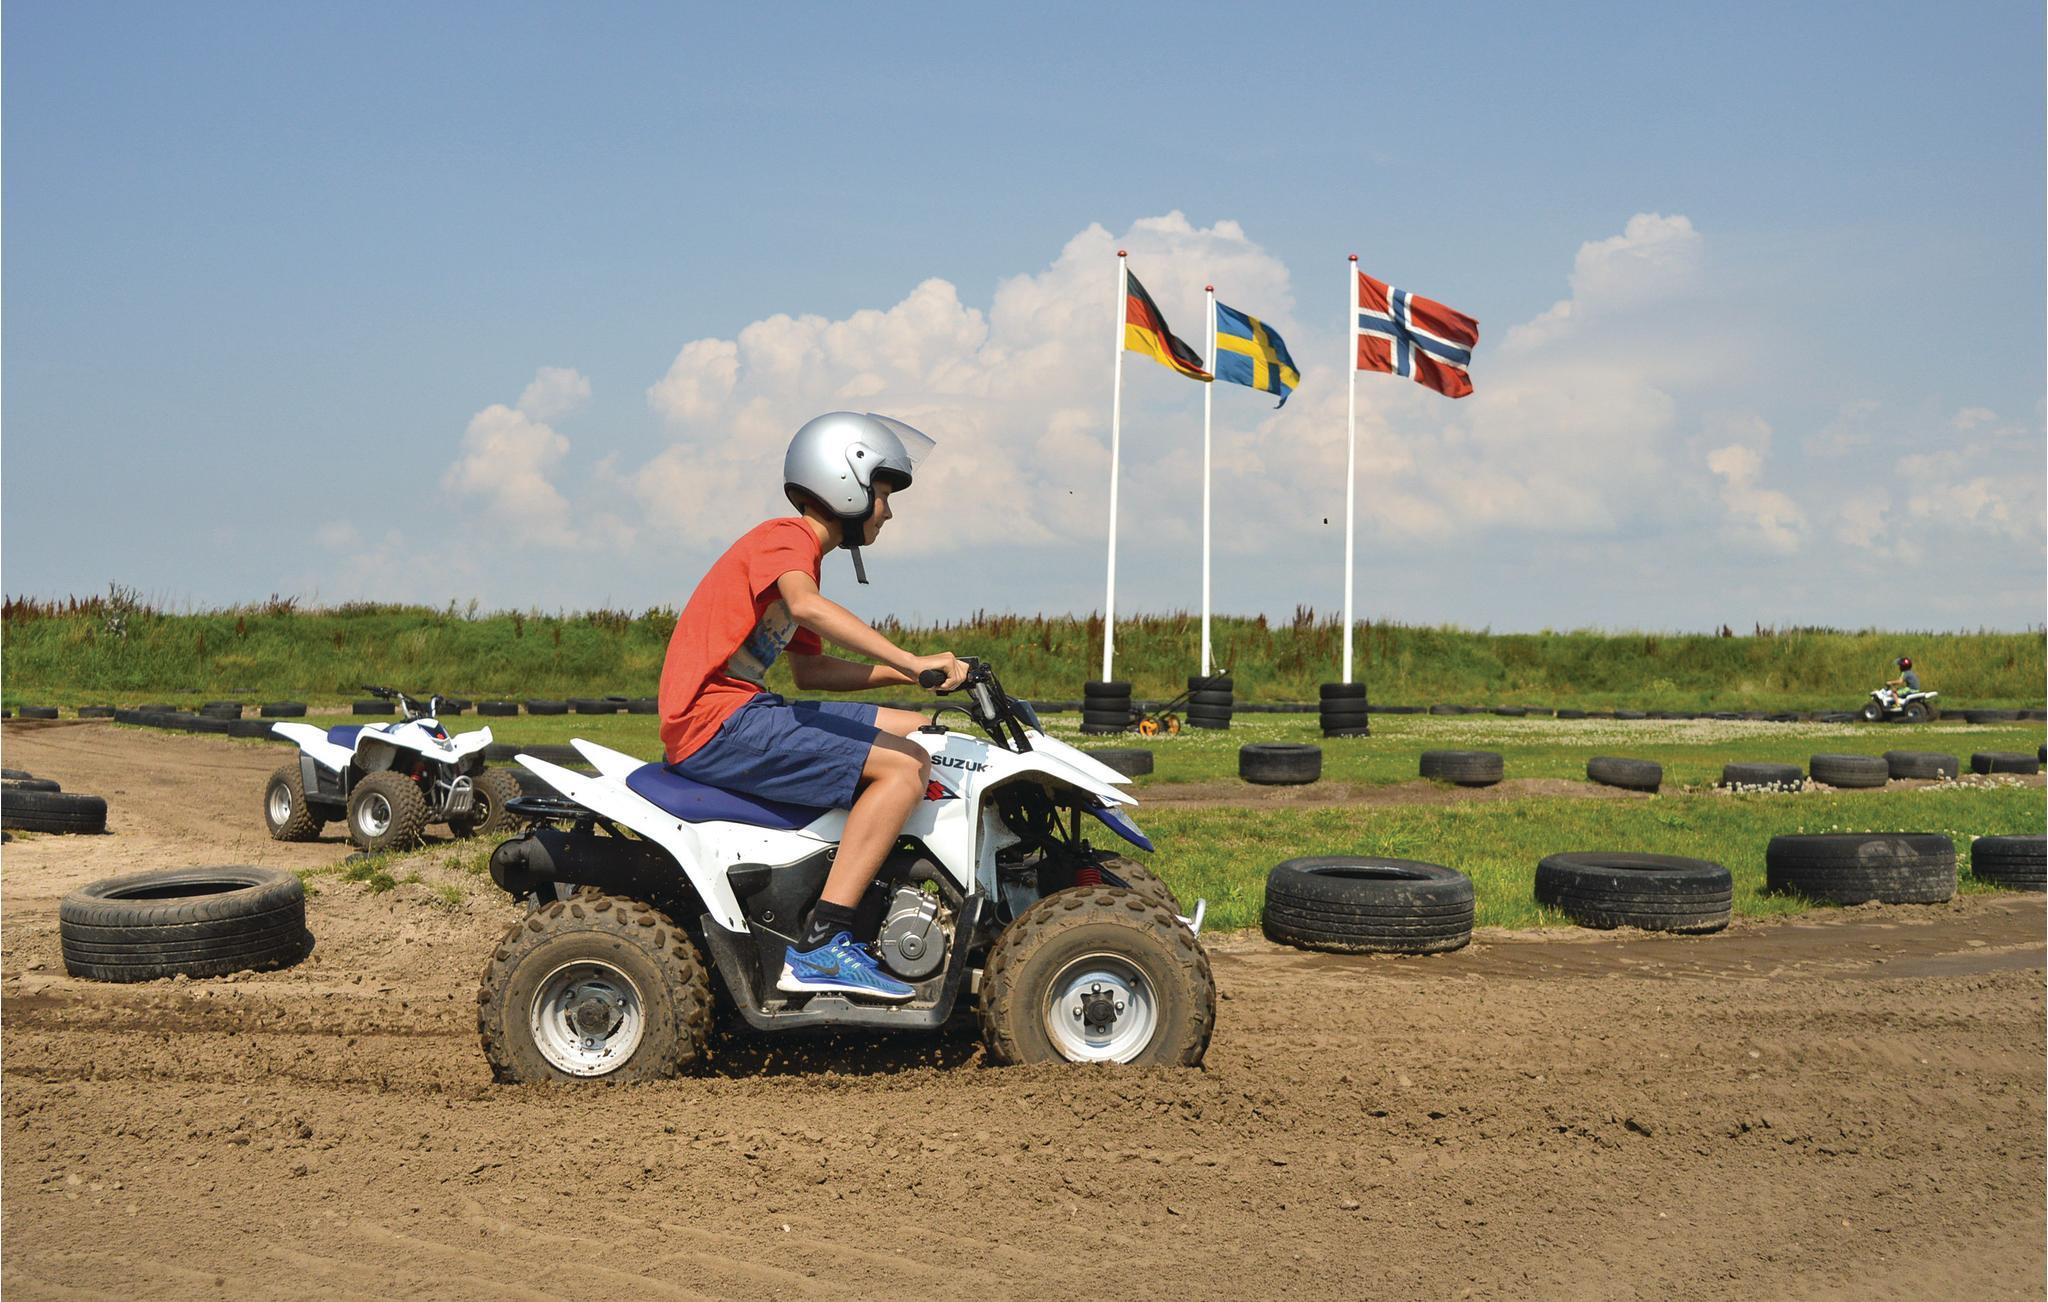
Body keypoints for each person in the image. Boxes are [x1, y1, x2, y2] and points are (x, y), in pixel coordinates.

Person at [655, 412, 966, 1002]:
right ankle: (823, 943)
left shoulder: (799, 556)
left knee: (923, 733)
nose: (888, 512)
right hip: (714, 723)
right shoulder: (786, 538)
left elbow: (812, 672)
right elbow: (807, 607)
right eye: (883, 494)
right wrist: (907, 660)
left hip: (744, 710)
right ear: (847, 485)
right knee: (904, 768)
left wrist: (919, 676)